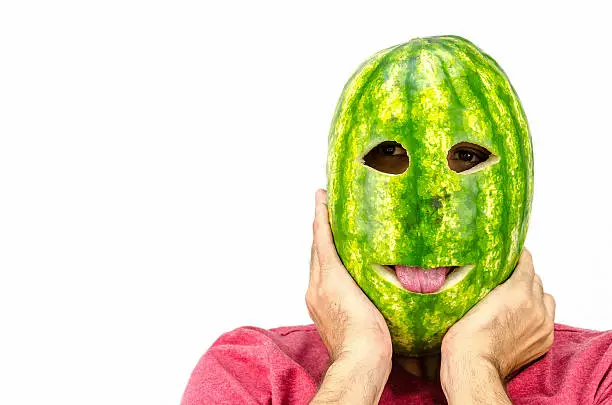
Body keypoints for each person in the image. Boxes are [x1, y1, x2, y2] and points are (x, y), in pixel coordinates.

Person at [180, 189, 612, 404]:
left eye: (466, 157)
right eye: (388, 156)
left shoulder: (601, 375)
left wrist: (474, 368)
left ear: (515, 195)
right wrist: (357, 361)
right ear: (336, 207)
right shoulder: (247, 373)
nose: (425, 204)